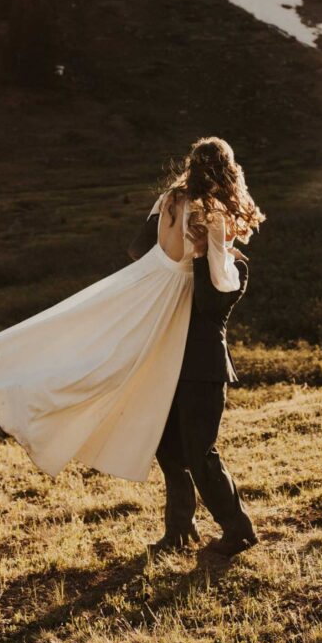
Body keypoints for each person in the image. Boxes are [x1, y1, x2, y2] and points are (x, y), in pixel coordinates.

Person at [0, 137, 266, 495]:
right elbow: (216, 282)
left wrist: (159, 268)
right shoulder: (213, 215)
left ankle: (5, 380)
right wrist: (221, 261)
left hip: (148, 284)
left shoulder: (170, 198)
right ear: (227, 172)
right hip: (170, 301)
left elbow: (137, 247)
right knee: (133, 398)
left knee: (82, 344)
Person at [128, 195, 256, 557]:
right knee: (168, 450)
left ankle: (239, 530)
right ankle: (181, 531)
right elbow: (138, 248)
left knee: (201, 454)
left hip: (202, 368)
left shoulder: (235, 267)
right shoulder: (177, 264)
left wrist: (201, 254)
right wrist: (164, 209)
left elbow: (208, 305)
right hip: (167, 364)